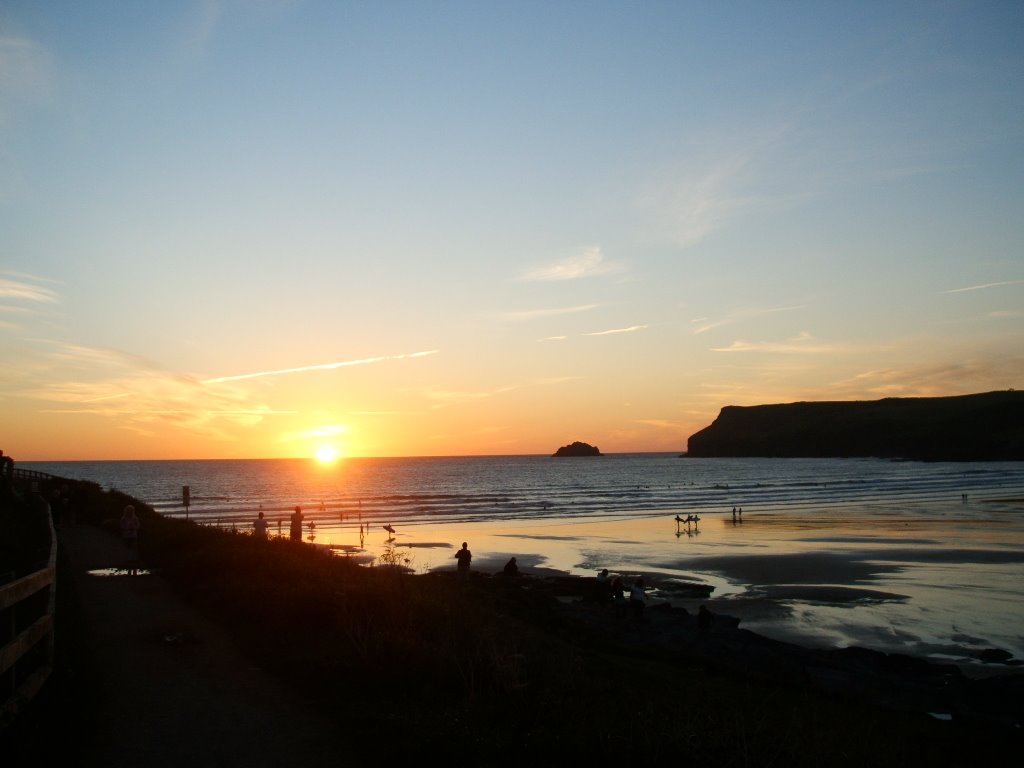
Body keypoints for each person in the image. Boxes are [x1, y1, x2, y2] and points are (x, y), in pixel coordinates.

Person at [120, 504, 141, 576]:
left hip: (133, 534)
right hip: (126, 535)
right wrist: (127, 528)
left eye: (131, 510)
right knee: (128, 546)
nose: (130, 512)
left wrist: (134, 528)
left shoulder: (135, 518)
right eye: (129, 510)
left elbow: (138, 525)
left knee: (133, 546)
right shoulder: (123, 518)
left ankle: (133, 559)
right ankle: (130, 559)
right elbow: (121, 526)